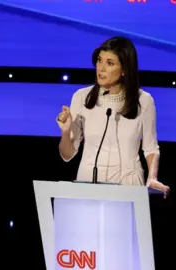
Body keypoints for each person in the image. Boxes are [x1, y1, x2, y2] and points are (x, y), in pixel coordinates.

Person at [56, 36, 170, 198]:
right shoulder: (82, 97)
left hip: (128, 184)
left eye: (110, 63)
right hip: (89, 183)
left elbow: (150, 148)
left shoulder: (144, 101)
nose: (101, 68)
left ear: (124, 70)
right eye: (99, 60)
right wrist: (66, 132)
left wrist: (152, 177)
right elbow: (67, 155)